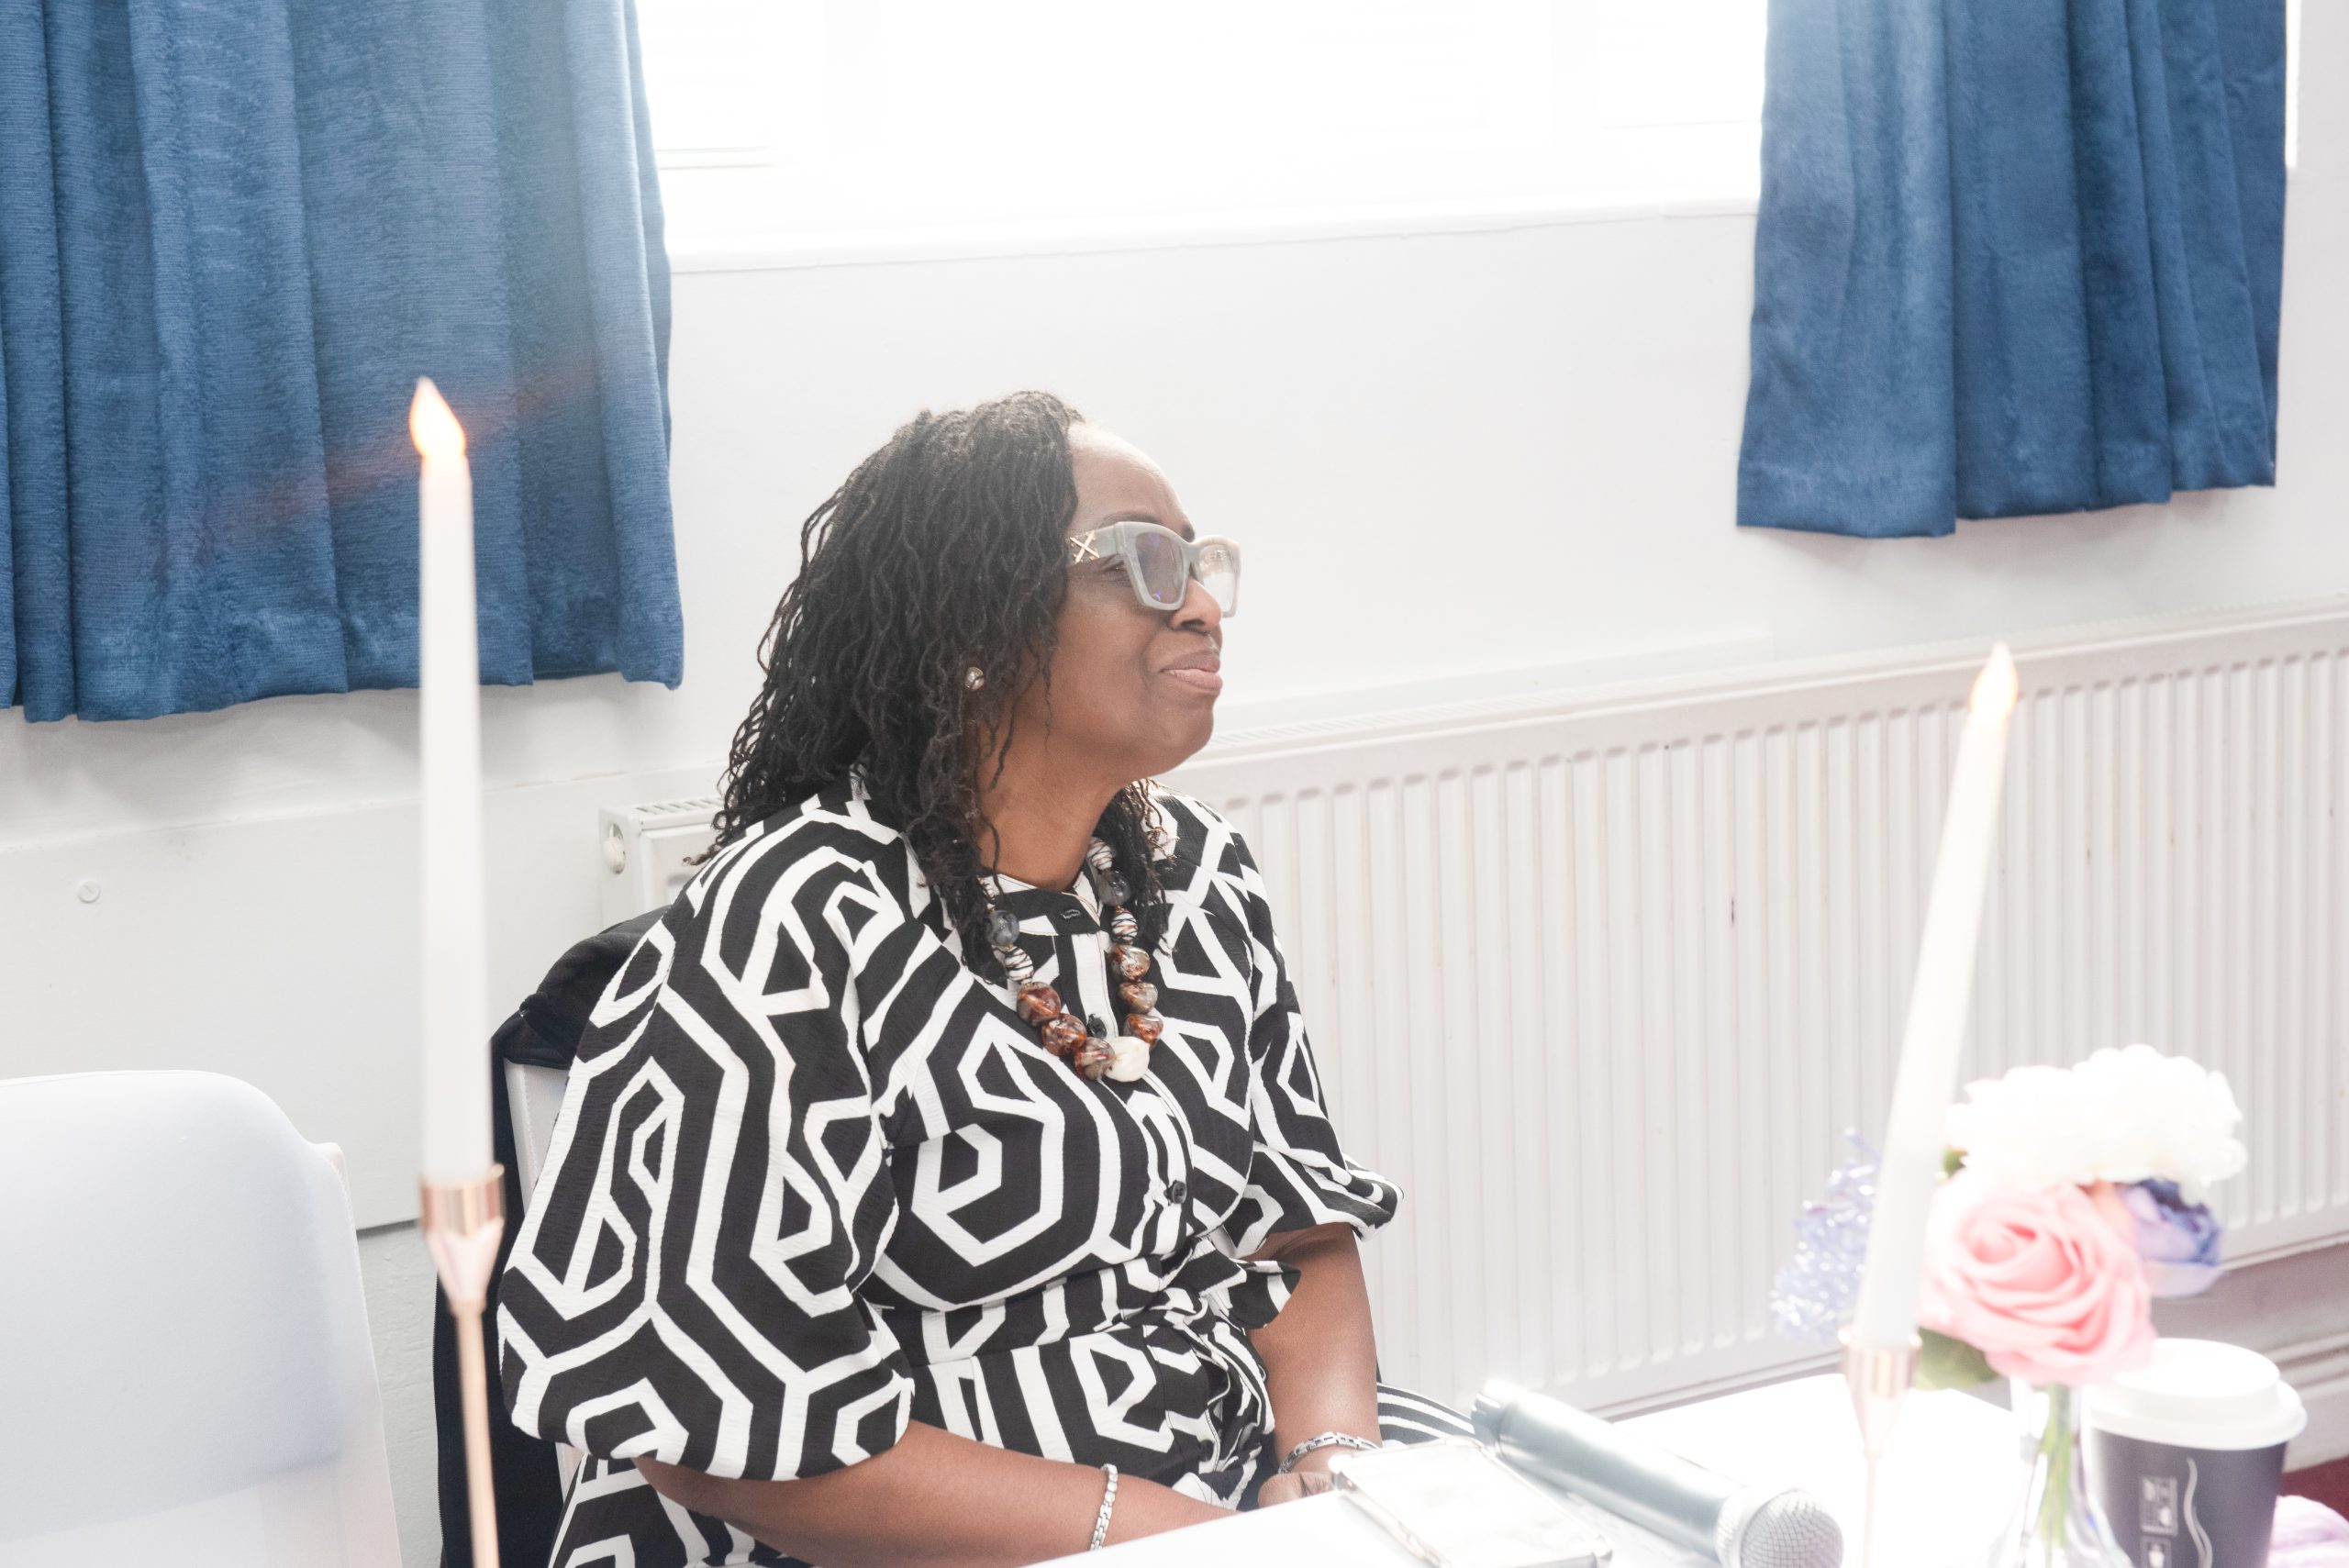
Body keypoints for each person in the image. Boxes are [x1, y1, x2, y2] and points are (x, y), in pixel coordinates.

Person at [496, 391, 1467, 1567]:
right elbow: (717, 1425)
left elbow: (1293, 1229)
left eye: (1201, 562)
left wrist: (1332, 1462)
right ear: (976, 622)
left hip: (1221, 1473)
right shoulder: (798, 918)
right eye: (1143, 562)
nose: (1203, 606)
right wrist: (1173, 1538)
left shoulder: (1194, 872)